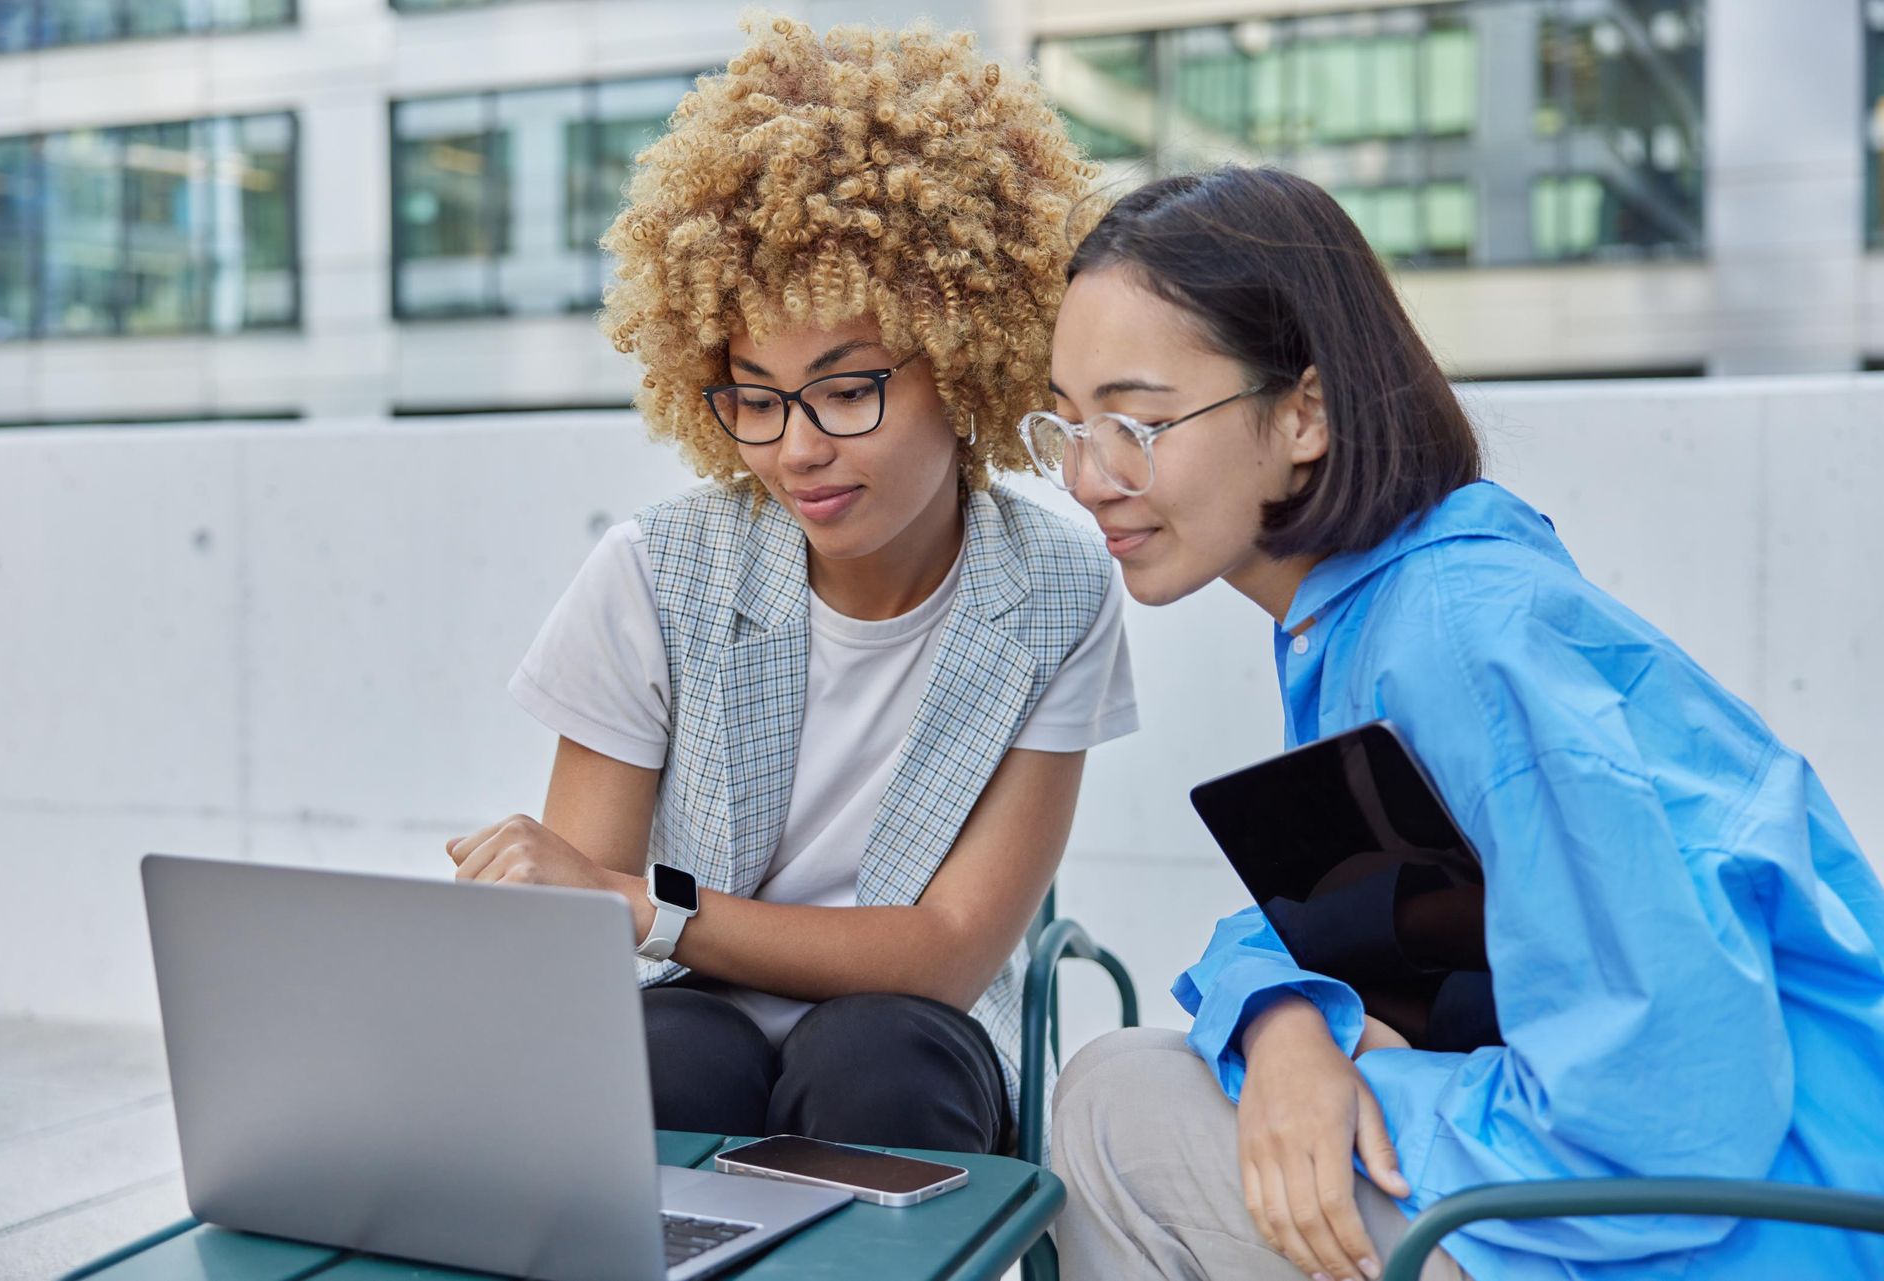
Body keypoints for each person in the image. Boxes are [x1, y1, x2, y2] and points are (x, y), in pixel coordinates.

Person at [1034, 166, 1884, 1280]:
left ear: (1304, 413)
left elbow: (1661, 1109)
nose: (1091, 477)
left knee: (1117, 1103)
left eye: (1139, 424)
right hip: (1674, 1201)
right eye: (1067, 424)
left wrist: (1359, 1087)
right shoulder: (1371, 612)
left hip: (1745, 1235)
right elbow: (1351, 921)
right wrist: (1289, 1025)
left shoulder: (1465, 640)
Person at [445, 14, 1137, 1159]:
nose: (796, 448)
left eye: (846, 389)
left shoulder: (1059, 588)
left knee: (877, 1063)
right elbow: (576, 937)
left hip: (923, 1030)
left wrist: (650, 906)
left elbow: (950, 953)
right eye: (753, 396)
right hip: (693, 1006)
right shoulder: (655, 575)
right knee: (672, 1061)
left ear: (964, 361)